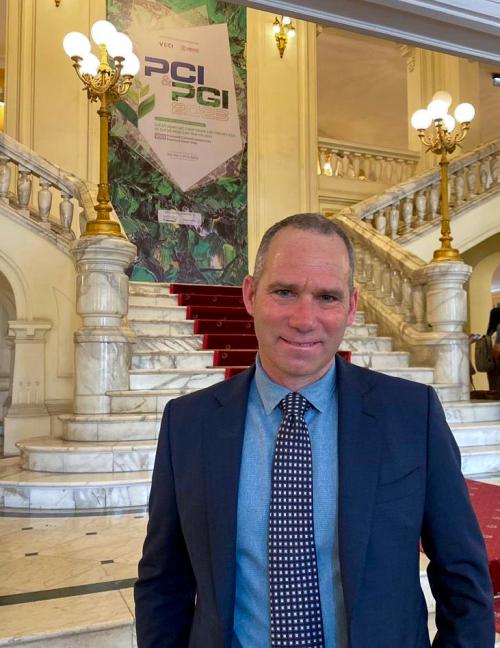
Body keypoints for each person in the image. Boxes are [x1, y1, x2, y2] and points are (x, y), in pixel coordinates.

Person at [135, 213, 494, 647]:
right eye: (284, 292)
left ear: (352, 305)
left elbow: (462, 576)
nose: (305, 319)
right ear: (250, 294)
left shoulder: (410, 415)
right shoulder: (189, 425)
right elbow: (164, 582)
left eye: (327, 297)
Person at [486, 306, 500, 390]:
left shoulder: (490, 333)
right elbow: (497, 350)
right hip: (497, 367)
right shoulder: (497, 332)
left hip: (492, 368)